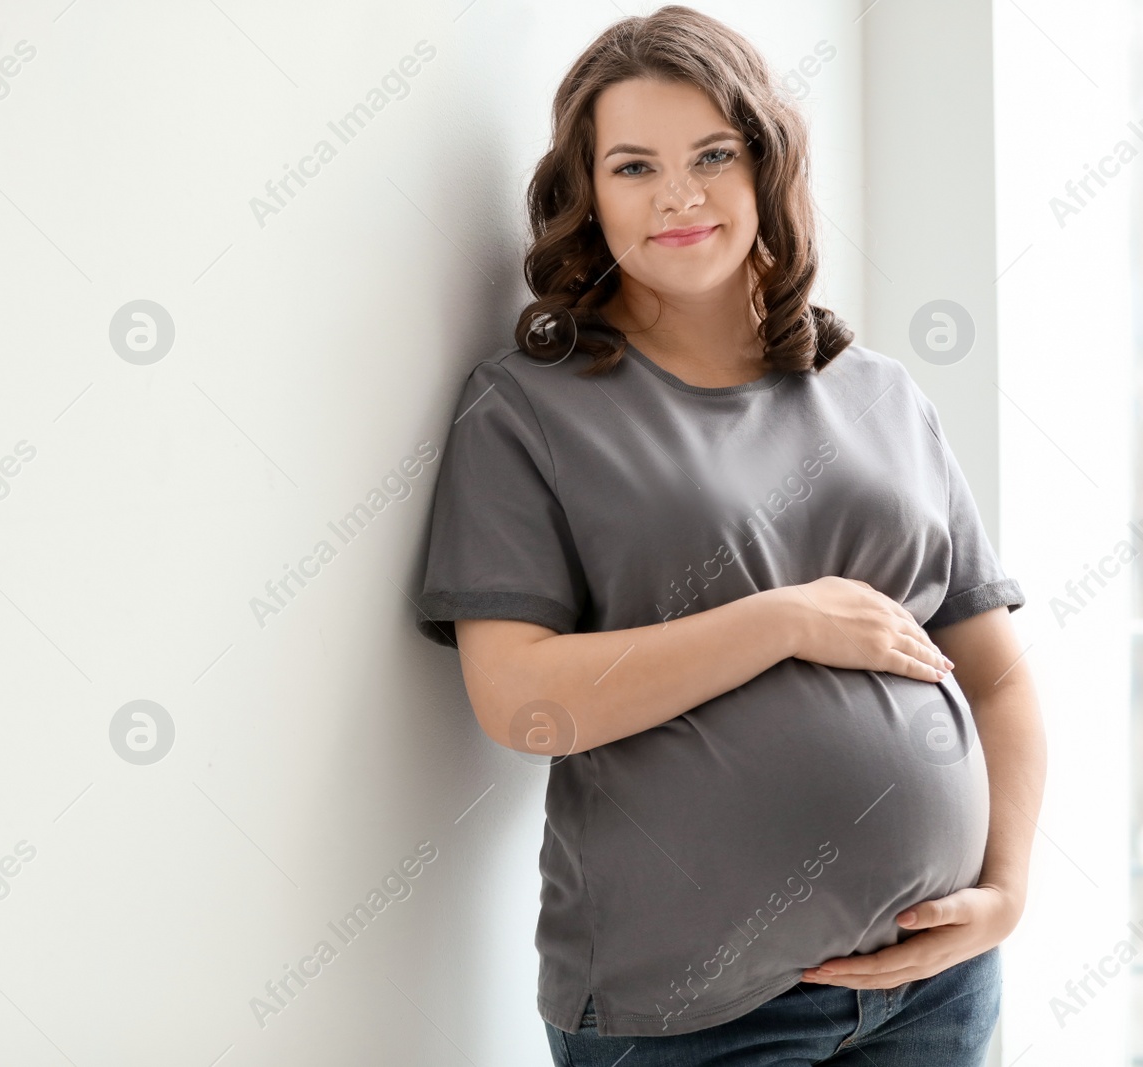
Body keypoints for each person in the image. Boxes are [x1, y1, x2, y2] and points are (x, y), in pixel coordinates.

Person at [413, 7, 1047, 1066]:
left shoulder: (880, 393)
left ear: (766, 164)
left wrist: (1008, 890)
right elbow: (519, 698)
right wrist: (783, 621)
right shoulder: (528, 409)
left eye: (713, 153)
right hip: (694, 1017)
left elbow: (997, 676)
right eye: (632, 166)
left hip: (935, 983)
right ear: (585, 195)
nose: (679, 195)